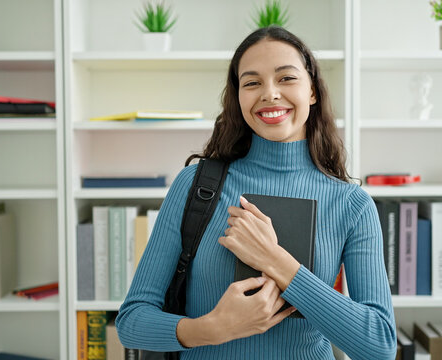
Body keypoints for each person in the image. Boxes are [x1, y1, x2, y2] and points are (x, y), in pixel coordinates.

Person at [116, 26, 397, 360]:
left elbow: (379, 345)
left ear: (312, 91)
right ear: (238, 97)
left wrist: (274, 260)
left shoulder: (351, 204)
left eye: (286, 78)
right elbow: (131, 321)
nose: (270, 94)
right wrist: (213, 328)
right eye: (252, 83)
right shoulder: (194, 185)